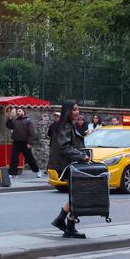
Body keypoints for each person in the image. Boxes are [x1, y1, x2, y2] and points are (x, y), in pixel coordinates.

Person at [48, 100, 89, 239]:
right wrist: (81, 156)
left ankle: (66, 224)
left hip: (66, 164)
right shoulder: (65, 126)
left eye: (78, 109)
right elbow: (64, 147)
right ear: (68, 111)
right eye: (75, 109)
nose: (78, 112)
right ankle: (65, 223)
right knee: (77, 195)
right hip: (65, 165)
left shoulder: (68, 125)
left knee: (76, 195)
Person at [6, 107, 41, 178]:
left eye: (19, 111)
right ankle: (13, 173)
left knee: (29, 158)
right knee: (14, 158)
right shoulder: (15, 120)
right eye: (17, 111)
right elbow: (9, 126)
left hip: (25, 143)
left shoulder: (28, 121)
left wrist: (29, 143)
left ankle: (37, 171)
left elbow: (31, 133)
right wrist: (10, 117)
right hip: (16, 142)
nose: (18, 112)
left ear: (23, 112)